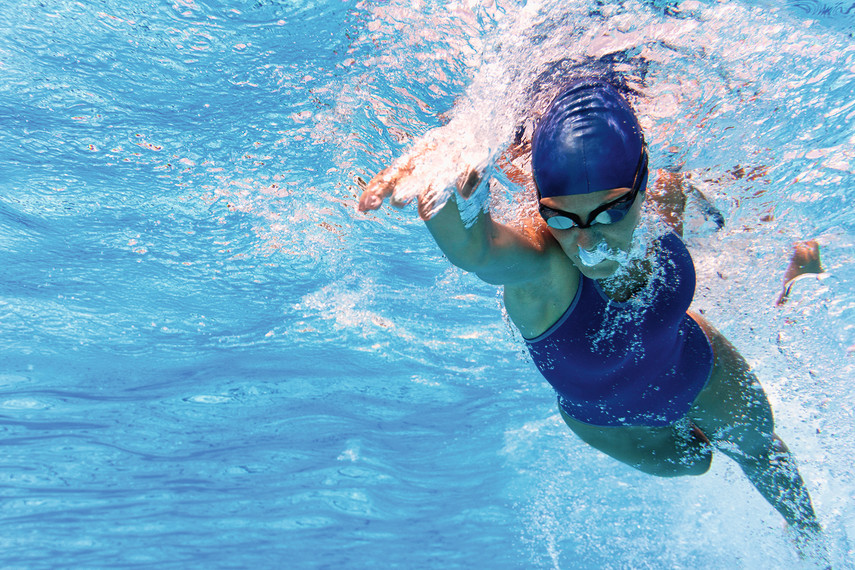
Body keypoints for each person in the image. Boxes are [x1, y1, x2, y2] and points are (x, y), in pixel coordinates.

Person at [358, 76, 827, 561]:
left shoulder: (660, 199)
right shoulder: (545, 269)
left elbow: (697, 193)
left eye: (610, 214)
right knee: (695, 462)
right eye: (562, 218)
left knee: (761, 448)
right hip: (612, 420)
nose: (588, 243)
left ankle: (816, 550)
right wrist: (442, 172)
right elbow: (477, 248)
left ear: (641, 189)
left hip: (691, 362)